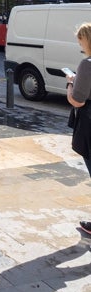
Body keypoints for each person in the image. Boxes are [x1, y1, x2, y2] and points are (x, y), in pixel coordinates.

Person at [63, 23, 91, 234]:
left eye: (80, 41)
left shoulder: (87, 64)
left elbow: (77, 101)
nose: (80, 46)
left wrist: (70, 83)